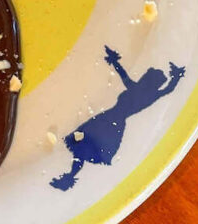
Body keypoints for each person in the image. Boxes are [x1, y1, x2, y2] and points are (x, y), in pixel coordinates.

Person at [51, 45, 185, 191]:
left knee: (84, 147)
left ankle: (69, 177)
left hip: (111, 122)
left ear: (149, 82)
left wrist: (176, 76)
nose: (143, 76)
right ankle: (69, 176)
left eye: (147, 75)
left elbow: (168, 90)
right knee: (82, 147)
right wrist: (114, 61)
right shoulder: (137, 89)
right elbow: (123, 74)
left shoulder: (146, 96)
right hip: (109, 118)